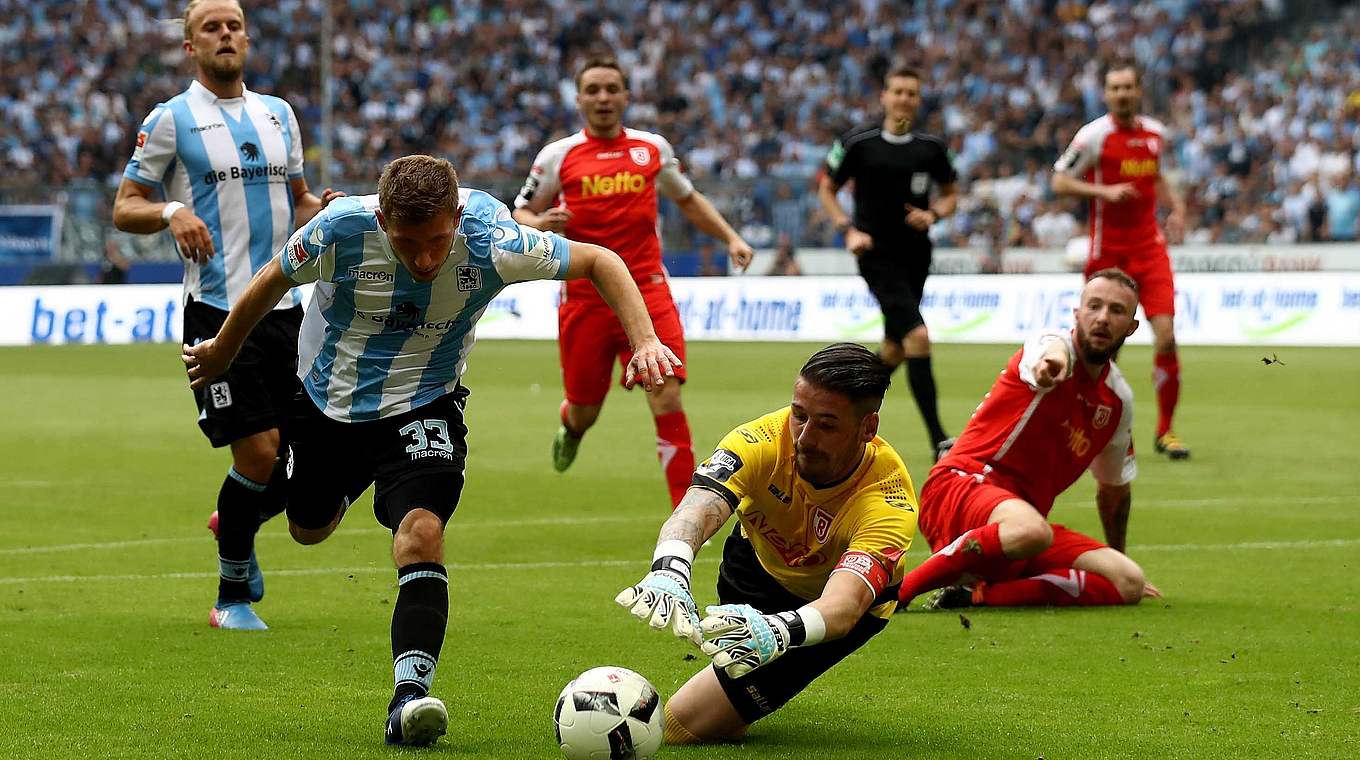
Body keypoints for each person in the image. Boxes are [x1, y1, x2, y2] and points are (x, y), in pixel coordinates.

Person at [183, 155, 679, 746]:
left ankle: (409, 698)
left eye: (437, 241)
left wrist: (644, 340)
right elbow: (270, 281)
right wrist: (220, 351)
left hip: (426, 404)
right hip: (328, 407)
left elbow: (601, 260)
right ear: (382, 217)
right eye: (407, 243)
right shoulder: (339, 228)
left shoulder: (492, 238)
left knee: (421, 533)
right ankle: (339, 487)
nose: (424, 259)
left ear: (457, 216)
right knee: (308, 529)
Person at [111, 0, 341, 630]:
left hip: (288, 309)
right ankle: (231, 594)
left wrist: (324, 209)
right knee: (260, 453)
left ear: (247, 38)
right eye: (211, 27)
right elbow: (125, 205)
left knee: (315, 462)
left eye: (234, 25)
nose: (225, 34)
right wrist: (169, 213)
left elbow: (296, 201)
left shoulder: (279, 115)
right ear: (190, 46)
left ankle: (236, 517)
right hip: (215, 311)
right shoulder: (171, 120)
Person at [615, 343, 917, 743]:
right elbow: (697, 507)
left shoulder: (888, 500)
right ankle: (738, 699)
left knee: (680, 726)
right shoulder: (760, 439)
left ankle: (742, 697)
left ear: (867, 428)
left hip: (822, 617)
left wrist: (780, 631)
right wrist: (669, 568)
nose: (804, 438)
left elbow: (843, 607)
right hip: (752, 571)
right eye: (799, 415)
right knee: (722, 708)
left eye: (827, 424)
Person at [512, 55, 755, 509]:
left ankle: (685, 520)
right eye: (593, 90)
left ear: (626, 95)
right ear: (580, 98)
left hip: (647, 289)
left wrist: (731, 237)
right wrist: (541, 221)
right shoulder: (557, 155)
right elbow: (520, 212)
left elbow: (687, 198)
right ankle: (571, 428)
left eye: (611, 89)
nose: (603, 98)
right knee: (585, 409)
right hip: (585, 295)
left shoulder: (650, 149)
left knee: (665, 393)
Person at [896, 269, 1160, 611]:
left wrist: (1113, 555)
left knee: (1128, 582)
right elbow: (1051, 354)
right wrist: (1050, 366)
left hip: (1015, 529)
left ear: (1131, 327)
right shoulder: (1050, 344)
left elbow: (1113, 490)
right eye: (1094, 306)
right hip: (961, 485)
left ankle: (976, 594)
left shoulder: (1117, 401)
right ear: (1078, 313)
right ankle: (901, 591)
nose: (1103, 318)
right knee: (1033, 531)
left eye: (1117, 311)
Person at [818, 66, 961, 462]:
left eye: (911, 93)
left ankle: (840, 407)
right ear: (884, 96)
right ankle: (939, 441)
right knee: (917, 337)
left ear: (918, 100)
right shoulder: (857, 143)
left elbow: (951, 194)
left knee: (895, 349)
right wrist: (847, 228)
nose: (903, 99)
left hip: (916, 255)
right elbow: (827, 188)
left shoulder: (932, 148)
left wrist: (934, 215)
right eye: (897, 91)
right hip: (876, 255)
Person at [1052, 59, 1191, 459]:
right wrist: (1105, 194)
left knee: (1165, 335)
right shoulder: (1093, 136)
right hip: (1108, 255)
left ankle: (1166, 431)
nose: (1122, 94)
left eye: (1128, 87)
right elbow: (1059, 180)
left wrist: (1177, 207)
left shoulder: (1155, 134)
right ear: (1107, 93)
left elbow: (1158, 177)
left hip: (1149, 249)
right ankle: (1087, 427)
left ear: (1138, 90)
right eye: (1115, 88)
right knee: (1102, 347)